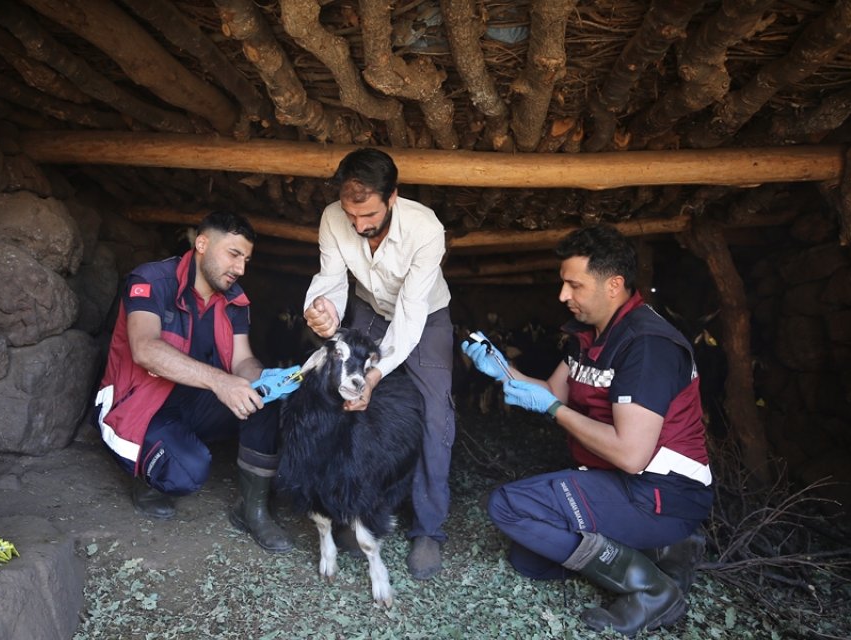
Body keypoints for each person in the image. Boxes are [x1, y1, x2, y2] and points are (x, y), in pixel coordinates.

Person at [464, 225, 712, 636]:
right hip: (615, 481)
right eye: (563, 283)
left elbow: (631, 454)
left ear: (613, 285)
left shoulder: (646, 346)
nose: (563, 295)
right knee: (529, 560)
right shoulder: (586, 337)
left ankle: (653, 590)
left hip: (659, 492)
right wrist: (501, 369)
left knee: (508, 506)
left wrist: (555, 410)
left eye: (574, 285)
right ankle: (661, 549)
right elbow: (551, 392)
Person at [94, 211, 299, 553]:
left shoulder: (234, 299)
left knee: (263, 401)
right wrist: (221, 382)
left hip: (194, 398)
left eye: (246, 260)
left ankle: (253, 511)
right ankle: (147, 478)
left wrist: (265, 380)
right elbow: (145, 349)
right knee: (186, 471)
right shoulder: (153, 280)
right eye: (234, 254)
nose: (240, 268)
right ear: (202, 244)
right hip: (139, 404)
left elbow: (241, 361)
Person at [301, 147, 455, 580]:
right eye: (352, 216)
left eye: (368, 215)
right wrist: (322, 309)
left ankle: (428, 530)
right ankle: (356, 508)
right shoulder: (334, 218)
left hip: (426, 316)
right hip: (368, 308)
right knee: (346, 401)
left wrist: (374, 372)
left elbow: (409, 315)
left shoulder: (426, 230)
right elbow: (331, 279)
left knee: (436, 415)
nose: (359, 226)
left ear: (393, 196)